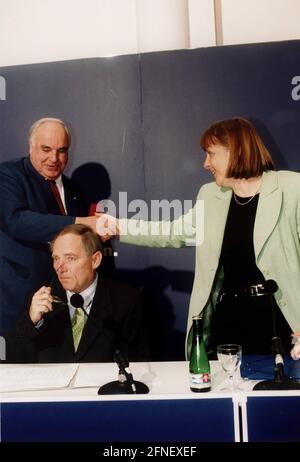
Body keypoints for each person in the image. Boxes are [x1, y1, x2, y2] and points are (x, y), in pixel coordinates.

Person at [97, 117, 300, 358]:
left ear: (235, 151)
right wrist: (119, 226)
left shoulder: (291, 188)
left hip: (281, 322)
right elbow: (174, 232)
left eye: (211, 154)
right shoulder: (210, 195)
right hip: (228, 322)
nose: (205, 164)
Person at [0, 118, 99, 335]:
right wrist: (80, 222)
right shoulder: (8, 175)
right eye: (46, 149)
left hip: (63, 303)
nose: (54, 158)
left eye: (61, 150)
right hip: (19, 300)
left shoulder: (74, 189)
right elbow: (16, 221)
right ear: (31, 146)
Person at [6, 224, 150, 363]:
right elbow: (9, 357)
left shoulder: (127, 300)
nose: (60, 268)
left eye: (70, 258)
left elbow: (141, 365)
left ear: (95, 260)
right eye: (56, 259)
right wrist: (31, 321)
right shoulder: (39, 300)